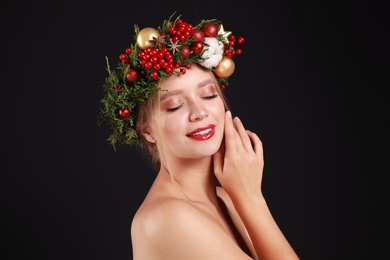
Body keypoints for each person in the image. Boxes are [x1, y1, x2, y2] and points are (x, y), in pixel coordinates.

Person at [99, 13, 299, 259]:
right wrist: (252, 199)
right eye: (173, 106)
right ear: (147, 131)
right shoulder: (167, 218)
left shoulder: (226, 196)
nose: (199, 112)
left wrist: (246, 197)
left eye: (208, 95)